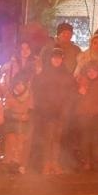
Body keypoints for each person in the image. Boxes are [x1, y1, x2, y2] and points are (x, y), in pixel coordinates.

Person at [32, 46, 75, 174]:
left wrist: (66, 109)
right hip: (47, 112)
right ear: (50, 59)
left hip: (61, 112)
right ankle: (46, 163)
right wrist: (44, 108)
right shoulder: (43, 73)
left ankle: (55, 163)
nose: (57, 60)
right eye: (54, 58)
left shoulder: (67, 74)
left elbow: (71, 93)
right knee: (48, 138)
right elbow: (38, 92)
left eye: (59, 58)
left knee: (57, 139)